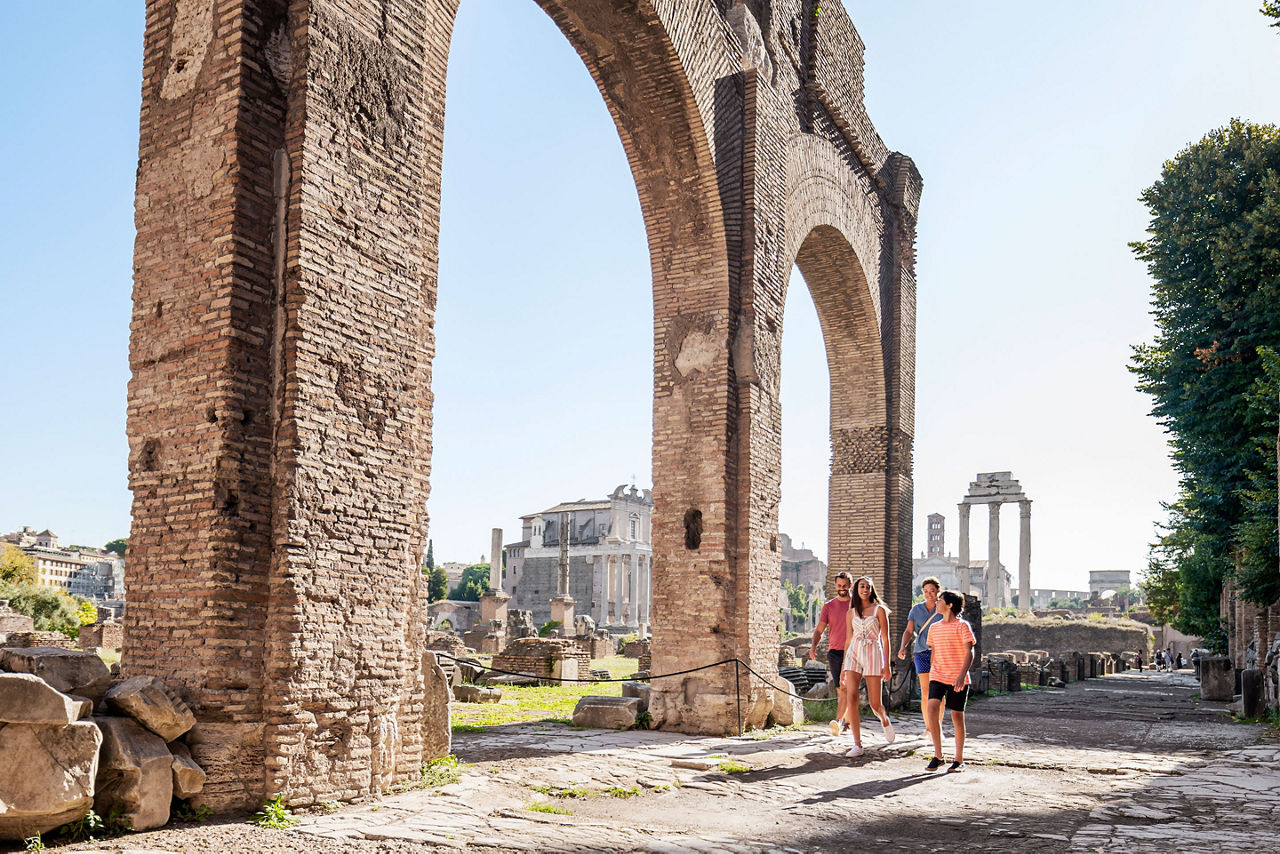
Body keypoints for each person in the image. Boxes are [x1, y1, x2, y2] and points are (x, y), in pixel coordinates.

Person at [840, 575, 895, 758]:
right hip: (854, 654)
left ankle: (884, 718)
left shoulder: (879, 610)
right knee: (852, 696)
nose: (865, 589)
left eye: (868, 587)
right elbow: (848, 640)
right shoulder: (851, 613)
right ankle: (857, 744)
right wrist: (842, 668)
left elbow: (885, 639)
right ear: (856, 589)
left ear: (871, 590)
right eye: (862, 586)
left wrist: (887, 665)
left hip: (873, 653)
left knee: (874, 703)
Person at [924, 589, 976, 773]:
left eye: (939, 600)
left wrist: (962, 674)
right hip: (938, 675)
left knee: (956, 716)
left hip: (957, 677)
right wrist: (932, 668)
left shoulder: (962, 626)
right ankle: (938, 756)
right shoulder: (934, 627)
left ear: (950, 605)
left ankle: (959, 759)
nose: (936, 602)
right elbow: (934, 651)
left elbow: (970, 652)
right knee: (931, 709)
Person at [809, 572, 854, 736]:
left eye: (845, 585)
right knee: (841, 689)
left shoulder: (856, 605)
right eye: (839, 586)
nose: (842, 589)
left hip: (853, 651)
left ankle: (839, 721)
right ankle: (847, 722)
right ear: (835, 586)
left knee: (845, 687)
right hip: (834, 652)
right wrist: (813, 646)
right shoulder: (828, 606)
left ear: (850, 585)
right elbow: (820, 629)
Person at [898, 577, 942, 736]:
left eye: (932, 591)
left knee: (939, 691)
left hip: (940, 653)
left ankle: (938, 727)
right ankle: (929, 728)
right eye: (925, 591)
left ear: (938, 591)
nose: (929, 594)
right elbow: (909, 631)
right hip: (921, 652)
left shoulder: (943, 608)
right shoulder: (916, 609)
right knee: (925, 691)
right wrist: (903, 646)